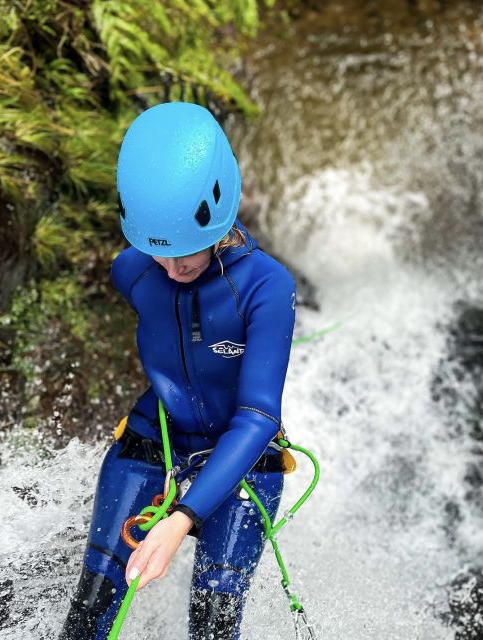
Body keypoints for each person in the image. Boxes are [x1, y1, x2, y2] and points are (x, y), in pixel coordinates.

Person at [60, 101, 296, 640]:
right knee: (91, 608)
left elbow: (258, 416)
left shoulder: (267, 288)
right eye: (158, 255)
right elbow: (150, 279)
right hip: (152, 442)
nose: (171, 270)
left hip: (243, 461)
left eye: (185, 253)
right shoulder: (133, 270)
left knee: (214, 626)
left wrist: (181, 518)